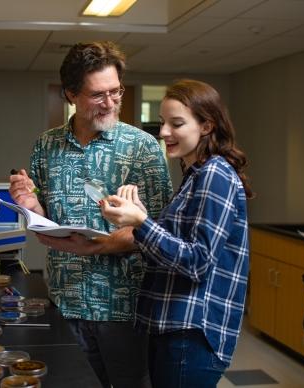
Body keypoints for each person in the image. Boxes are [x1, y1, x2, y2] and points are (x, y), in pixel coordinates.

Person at [8, 41, 172, 388]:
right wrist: (29, 203)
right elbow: (48, 217)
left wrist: (97, 246)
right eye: (99, 95)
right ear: (71, 95)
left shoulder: (143, 148)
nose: (111, 102)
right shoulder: (46, 145)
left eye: (116, 91)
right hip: (63, 300)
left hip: (123, 307)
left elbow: (159, 231)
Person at [100, 79, 253, 388]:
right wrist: (138, 218)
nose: (164, 132)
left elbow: (197, 261)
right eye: (163, 122)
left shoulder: (215, 174)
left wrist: (142, 222)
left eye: (176, 123)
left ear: (207, 125)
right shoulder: (194, 175)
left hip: (191, 333)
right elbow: (174, 247)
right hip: (173, 327)